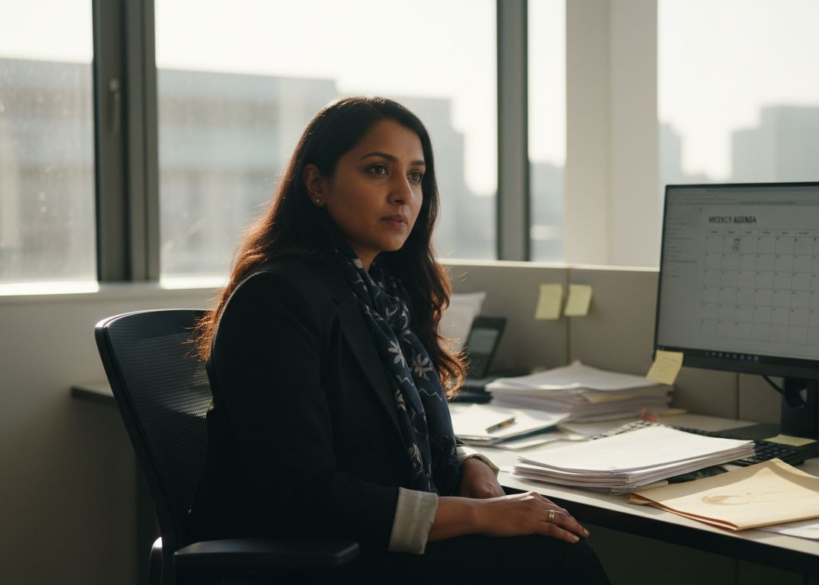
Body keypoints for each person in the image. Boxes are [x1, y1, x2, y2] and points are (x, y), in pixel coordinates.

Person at [189, 96, 610, 584]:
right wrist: (480, 516)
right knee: (558, 558)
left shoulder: (383, 299)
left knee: (553, 544)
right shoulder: (276, 299)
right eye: (377, 170)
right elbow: (305, 496)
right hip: (315, 557)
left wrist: (467, 464)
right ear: (317, 184)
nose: (403, 194)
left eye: (415, 175)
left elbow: (382, 445)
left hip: (368, 542)